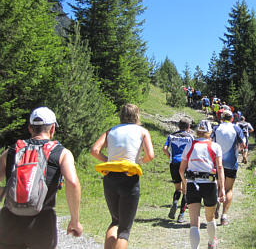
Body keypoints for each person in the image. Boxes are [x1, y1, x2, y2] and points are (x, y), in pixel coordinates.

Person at [0, 106, 83, 249]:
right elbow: (73, 183)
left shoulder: (11, 151)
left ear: (30, 128)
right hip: (42, 222)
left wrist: (5, 192)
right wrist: (75, 221)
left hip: (9, 221)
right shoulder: (61, 153)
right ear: (52, 129)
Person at [91, 104, 154, 249]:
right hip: (129, 178)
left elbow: (94, 150)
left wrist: (108, 161)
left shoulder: (111, 131)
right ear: (137, 115)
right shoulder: (142, 131)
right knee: (124, 230)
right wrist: (139, 161)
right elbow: (150, 156)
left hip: (110, 177)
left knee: (115, 221)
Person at [179, 120, 225, 249]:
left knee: (194, 222)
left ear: (197, 131)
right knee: (210, 218)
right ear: (210, 132)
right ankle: (211, 242)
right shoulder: (215, 147)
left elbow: (181, 169)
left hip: (193, 184)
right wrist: (222, 189)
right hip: (209, 184)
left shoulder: (190, 145)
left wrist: (185, 184)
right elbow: (220, 167)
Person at [213, 110, 245, 226]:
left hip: (218, 162)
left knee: (217, 186)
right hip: (231, 162)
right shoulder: (236, 129)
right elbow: (243, 145)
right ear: (232, 118)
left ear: (222, 118)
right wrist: (238, 152)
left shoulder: (216, 128)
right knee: (228, 189)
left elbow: (211, 142)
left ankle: (216, 204)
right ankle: (224, 216)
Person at [162, 117, 193, 223]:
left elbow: (164, 149)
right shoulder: (190, 137)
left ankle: (175, 202)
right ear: (188, 127)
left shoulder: (171, 136)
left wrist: (170, 156)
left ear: (178, 126)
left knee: (177, 188)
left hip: (173, 163)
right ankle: (181, 215)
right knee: (185, 190)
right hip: (185, 164)